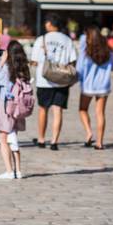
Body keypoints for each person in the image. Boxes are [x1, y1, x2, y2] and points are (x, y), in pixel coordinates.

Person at [30, 13, 77, 150]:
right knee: (58, 110)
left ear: (50, 24)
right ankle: (54, 141)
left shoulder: (41, 39)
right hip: (62, 79)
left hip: (44, 80)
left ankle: (41, 139)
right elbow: (72, 61)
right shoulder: (67, 40)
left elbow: (34, 61)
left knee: (43, 109)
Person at [0, 39, 33, 180]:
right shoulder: (24, 69)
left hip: (6, 106)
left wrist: (1, 62)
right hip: (19, 108)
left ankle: (9, 171)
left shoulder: (7, 69)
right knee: (14, 138)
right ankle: (18, 171)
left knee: (4, 139)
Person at [77, 25, 113, 149]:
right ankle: (99, 142)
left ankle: (88, 132)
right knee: (100, 113)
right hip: (103, 86)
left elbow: (80, 69)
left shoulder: (86, 52)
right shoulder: (109, 51)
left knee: (82, 109)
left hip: (88, 86)